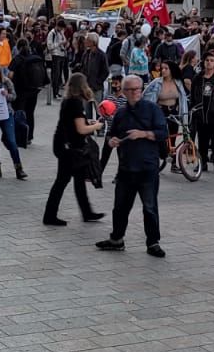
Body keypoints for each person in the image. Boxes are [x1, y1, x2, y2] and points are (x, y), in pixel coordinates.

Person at [96, 75, 168, 257]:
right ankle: (117, 239)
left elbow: (162, 133)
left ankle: (153, 242)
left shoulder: (152, 109)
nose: (134, 92)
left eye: (137, 89)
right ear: (124, 91)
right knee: (120, 206)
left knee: (149, 207)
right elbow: (111, 135)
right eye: (130, 90)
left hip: (147, 168)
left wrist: (143, 134)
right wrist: (111, 141)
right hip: (126, 168)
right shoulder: (120, 113)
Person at [43, 73, 104, 226]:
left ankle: (87, 212)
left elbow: (74, 123)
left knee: (78, 180)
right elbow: (81, 129)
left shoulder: (68, 101)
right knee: (62, 181)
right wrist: (96, 126)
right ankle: (50, 215)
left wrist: (86, 121)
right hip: (70, 149)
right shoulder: (76, 103)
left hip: (65, 145)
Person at [10, 39, 47, 146]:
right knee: (30, 113)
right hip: (34, 91)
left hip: (20, 91)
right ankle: (29, 136)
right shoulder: (36, 58)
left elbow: (11, 75)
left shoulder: (17, 59)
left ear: (18, 48)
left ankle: (21, 137)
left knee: (20, 113)